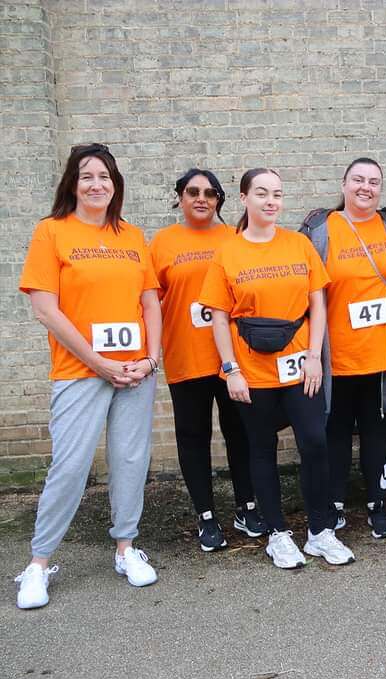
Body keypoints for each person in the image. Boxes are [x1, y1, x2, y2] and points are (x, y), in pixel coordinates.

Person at [15, 143, 161, 609]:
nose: (97, 184)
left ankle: (125, 547)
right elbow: (45, 307)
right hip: (80, 370)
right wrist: (100, 363)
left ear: (115, 185)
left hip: (136, 371)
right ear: (72, 184)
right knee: (71, 465)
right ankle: (38, 563)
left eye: (105, 176)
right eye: (87, 176)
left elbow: (150, 302)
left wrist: (151, 358)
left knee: (131, 460)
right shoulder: (51, 232)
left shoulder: (132, 236)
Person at [199, 168, 354, 569]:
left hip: (300, 365)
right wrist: (230, 369)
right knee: (261, 449)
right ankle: (277, 533)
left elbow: (317, 303)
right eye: (263, 193)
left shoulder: (299, 245)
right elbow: (218, 317)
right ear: (245, 199)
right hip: (251, 369)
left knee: (315, 442)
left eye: (278, 194)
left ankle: (320, 532)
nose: (271, 201)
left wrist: (316, 356)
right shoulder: (228, 252)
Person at [299, 157, 386, 539]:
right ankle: (334, 504)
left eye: (374, 181)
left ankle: (377, 504)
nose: (365, 187)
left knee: (376, 429)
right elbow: (306, 291)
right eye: (358, 180)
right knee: (334, 430)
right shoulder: (321, 228)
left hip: (380, 352)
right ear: (344, 184)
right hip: (336, 355)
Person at [150, 169, 268, 552]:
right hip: (186, 356)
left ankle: (246, 506)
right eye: (192, 192)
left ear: (219, 199)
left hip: (230, 358)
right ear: (180, 198)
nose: (201, 198)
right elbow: (150, 301)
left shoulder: (233, 238)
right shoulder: (163, 243)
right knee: (193, 437)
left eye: (209, 193)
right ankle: (205, 516)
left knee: (240, 433)